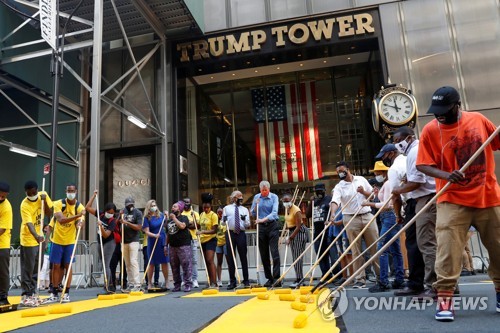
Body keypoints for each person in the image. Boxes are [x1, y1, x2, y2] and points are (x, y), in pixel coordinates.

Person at [415, 86, 500, 321]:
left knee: (498, 248)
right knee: (447, 252)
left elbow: (497, 142)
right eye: (436, 111)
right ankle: (444, 301)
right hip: (451, 199)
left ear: (457, 105)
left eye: (444, 110)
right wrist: (445, 175)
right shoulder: (431, 130)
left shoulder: (479, 120)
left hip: (488, 196)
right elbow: (422, 164)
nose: (439, 115)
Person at [392, 126, 438, 301]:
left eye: (398, 141)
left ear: (409, 138)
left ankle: (435, 286)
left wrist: (398, 190)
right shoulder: (418, 149)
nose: (397, 145)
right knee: (431, 242)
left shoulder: (414, 152)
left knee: (426, 243)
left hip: (426, 199)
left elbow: (417, 183)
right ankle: (444, 285)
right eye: (395, 142)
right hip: (428, 198)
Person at [329, 162, 379, 289]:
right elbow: (335, 201)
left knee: (375, 247)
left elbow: (373, 196)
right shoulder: (339, 186)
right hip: (350, 218)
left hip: (367, 215)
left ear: (348, 169)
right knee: (356, 250)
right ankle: (360, 279)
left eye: (341, 170)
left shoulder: (361, 180)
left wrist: (363, 192)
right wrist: (333, 213)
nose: (340, 173)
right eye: (338, 172)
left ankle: (381, 277)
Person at [363, 161, 404, 292]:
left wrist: (369, 204)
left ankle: (384, 281)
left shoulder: (388, 183)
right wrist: (376, 195)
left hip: (389, 216)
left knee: (382, 248)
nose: (376, 176)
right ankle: (399, 279)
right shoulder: (385, 184)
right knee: (395, 248)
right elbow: (383, 201)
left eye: (377, 173)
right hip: (389, 216)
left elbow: (386, 205)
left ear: (383, 173)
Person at [45, 184, 85, 303]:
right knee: (56, 266)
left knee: (68, 266)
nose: (71, 193)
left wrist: (80, 224)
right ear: (66, 191)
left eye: (72, 191)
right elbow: (61, 220)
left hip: (70, 242)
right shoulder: (58, 204)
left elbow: (80, 223)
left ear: (76, 192)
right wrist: (78, 215)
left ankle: (66, 292)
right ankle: (54, 292)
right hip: (57, 241)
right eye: (69, 191)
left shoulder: (79, 206)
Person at [19, 180, 53, 306]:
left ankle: (33, 292)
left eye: (34, 192)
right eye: (29, 193)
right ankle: (25, 295)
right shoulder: (24, 204)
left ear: (37, 190)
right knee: (28, 267)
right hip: (29, 238)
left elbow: (49, 213)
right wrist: (36, 236)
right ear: (26, 192)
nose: (32, 194)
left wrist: (44, 202)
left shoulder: (43, 195)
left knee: (38, 265)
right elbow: (28, 224)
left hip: (40, 236)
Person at [85, 190, 118, 293]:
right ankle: (111, 283)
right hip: (100, 241)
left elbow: (106, 234)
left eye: (112, 213)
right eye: (109, 212)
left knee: (106, 264)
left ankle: (108, 285)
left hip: (109, 242)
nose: (110, 214)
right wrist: (94, 196)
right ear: (106, 211)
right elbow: (87, 208)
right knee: (102, 262)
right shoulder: (101, 215)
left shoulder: (112, 221)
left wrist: (100, 226)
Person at [250, 180, 281, 287]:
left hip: (272, 225)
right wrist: (255, 206)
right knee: (264, 253)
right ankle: (269, 278)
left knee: (274, 252)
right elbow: (253, 212)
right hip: (261, 227)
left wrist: (262, 220)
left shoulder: (274, 197)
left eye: (265, 190)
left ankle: (277, 278)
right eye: (262, 190)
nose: (264, 192)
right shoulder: (257, 197)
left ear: (269, 189)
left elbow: (274, 212)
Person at [305, 183, 335, 280]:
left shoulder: (329, 199)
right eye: (317, 191)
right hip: (317, 233)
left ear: (324, 190)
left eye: (321, 191)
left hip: (328, 232)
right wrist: (311, 203)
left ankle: (337, 274)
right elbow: (307, 215)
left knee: (332, 254)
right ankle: (326, 274)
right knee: (321, 256)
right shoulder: (315, 201)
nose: (319, 193)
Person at [223, 191, 251, 289]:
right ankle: (232, 281)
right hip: (230, 233)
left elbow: (248, 224)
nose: (241, 198)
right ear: (234, 198)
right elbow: (222, 223)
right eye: (239, 196)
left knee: (243, 256)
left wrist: (244, 220)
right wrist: (223, 221)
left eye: (241, 196)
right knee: (231, 258)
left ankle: (246, 280)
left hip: (241, 234)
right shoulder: (226, 208)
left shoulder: (244, 210)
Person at [282, 192, 308, 288]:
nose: (286, 203)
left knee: (297, 257)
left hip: (299, 232)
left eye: (288, 201)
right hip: (292, 231)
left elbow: (298, 226)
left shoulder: (296, 210)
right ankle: (299, 278)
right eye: (284, 202)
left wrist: (290, 237)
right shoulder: (286, 208)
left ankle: (299, 279)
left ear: (292, 200)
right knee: (295, 257)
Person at [142, 199, 169, 290]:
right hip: (152, 240)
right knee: (151, 263)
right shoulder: (146, 218)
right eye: (152, 205)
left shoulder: (161, 215)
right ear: (149, 208)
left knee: (164, 262)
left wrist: (166, 217)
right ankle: (149, 283)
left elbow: (165, 225)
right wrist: (154, 235)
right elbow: (146, 231)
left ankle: (167, 281)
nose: (154, 207)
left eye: (155, 205)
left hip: (162, 240)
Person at [167, 201, 193, 292]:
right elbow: (168, 233)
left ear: (179, 209)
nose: (172, 208)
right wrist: (165, 246)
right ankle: (177, 285)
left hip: (183, 245)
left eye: (174, 206)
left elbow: (182, 226)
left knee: (186, 265)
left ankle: (188, 284)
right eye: (172, 206)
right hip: (172, 246)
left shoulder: (184, 217)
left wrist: (174, 218)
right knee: (174, 266)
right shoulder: (169, 220)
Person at [120, 197, 142, 292]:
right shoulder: (123, 212)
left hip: (134, 240)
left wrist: (127, 223)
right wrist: (119, 216)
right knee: (127, 263)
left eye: (131, 205)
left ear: (134, 204)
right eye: (128, 205)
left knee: (133, 261)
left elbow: (138, 227)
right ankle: (131, 283)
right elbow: (118, 223)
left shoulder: (137, 213)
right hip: (124, 241)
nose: (129, 207)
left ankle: (137, 284)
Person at [198, 194, 218, 288]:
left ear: (210, 207)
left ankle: (214, 282)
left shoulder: (213, 215)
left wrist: (203, 231)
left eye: (208, 208)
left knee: (210, 260)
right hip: (202, 240)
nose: (206, 209)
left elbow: (215, 230)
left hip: (211, 239)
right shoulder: (201, 214)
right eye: (204, 207)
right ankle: (210, 281)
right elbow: (198, 226)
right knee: (206, 262)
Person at [181, 197, 199, 288]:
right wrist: (188, 224)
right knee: (184, 260)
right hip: (183, 239)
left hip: (193, 238)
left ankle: (194, 279)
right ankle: (185, 279)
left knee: (194, 260)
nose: (186, 204)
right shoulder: (181, 213)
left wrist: (187, 223)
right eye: (185, 202)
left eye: (188, 202)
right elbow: (181, 226)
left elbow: (196, 226)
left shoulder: (195, 213)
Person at [0, 181, 13, 306]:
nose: (1, 198)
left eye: (3, 196)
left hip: (2, 244)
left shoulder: (6, 207)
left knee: (3, 271)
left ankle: (3, 296)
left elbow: (2, 229)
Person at [215, 207, 227, 287]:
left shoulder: (225, 220)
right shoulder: (216, 221)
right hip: (217, 243)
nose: (220, 214)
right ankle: (219, 280)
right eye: (218, 212)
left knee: (229, 261)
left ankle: (231, 278)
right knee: (219, 262)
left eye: (221, 212)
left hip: (225, 242)